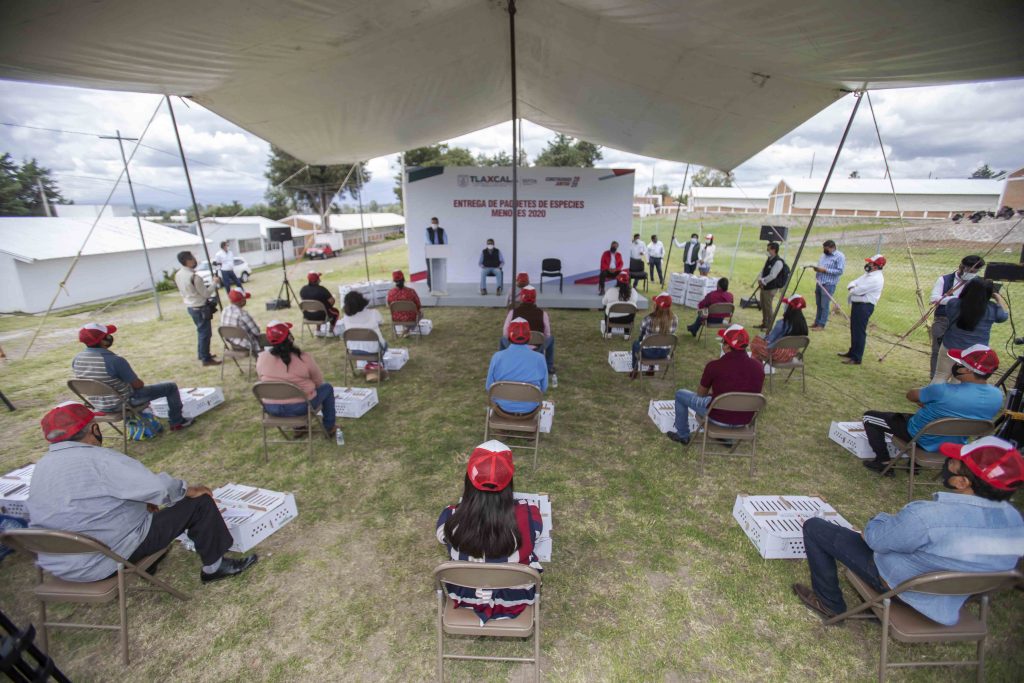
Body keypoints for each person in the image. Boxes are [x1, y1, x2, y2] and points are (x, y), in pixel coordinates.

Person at [791, 436, 1024, 625]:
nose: (948, 462)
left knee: (815, 528)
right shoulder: (1016, 522)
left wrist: (873, 526)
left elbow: (876, 540)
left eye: (954, 461)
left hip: (904, 588)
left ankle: (830, 604)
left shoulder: (928, 517)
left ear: (963, 482)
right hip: (953, 598)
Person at [27, 402, 258, 583]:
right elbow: (159, 488)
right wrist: (189, 489)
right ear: (94, 429)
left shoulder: (41, 467)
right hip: (103, 560)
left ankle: (148, 562)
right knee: (199, 503)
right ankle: (214, 568)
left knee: (146, 512)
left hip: (59, 564)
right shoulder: (100, 460)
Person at [436, 441, 543, 623]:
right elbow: (538, 535)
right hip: (516, 597)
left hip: (464, 594)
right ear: (509, 481)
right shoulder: (529, 514)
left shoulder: (450, 517)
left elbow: (441, 537)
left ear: (469, 479)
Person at [861, 345, 1003, 474]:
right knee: (933, 421)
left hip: (920, 436)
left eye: (959, 363)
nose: (955, 365)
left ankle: (883, 461)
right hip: (956, 441)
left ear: (966, 370)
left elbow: (911, 395)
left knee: (869, 417)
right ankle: (914, 463)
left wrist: (928, 400)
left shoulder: (943, 390)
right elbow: (967, 413)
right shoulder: (998, 395)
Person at [72, 323, 194, 431]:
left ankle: (144, 420)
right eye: (107, 335)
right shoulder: (114, 360)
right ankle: (177, 422)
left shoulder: (77, 359)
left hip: (98, 405)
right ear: (103, 340)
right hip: (123, 403)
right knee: (170, 387)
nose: (110, 337)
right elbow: (137, 385)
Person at [666, 325, 765, 446]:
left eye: (723, 341)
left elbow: (700, 394)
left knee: (680, 394)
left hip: (718, 419)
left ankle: (683, 435)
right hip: (744, 421)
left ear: (727, 346)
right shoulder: (759, 367)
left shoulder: (714, 366)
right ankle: (726, 438)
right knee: (717, 400)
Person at [255, 321, 337, 438]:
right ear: (289, 337)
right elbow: (318, 381)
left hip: (271, 408)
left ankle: (299, 428)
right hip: (300, 407)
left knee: (291, 394)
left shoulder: (261, 358)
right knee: (327, 388)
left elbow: (262, 379)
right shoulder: (303, 357)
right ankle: (329, 427)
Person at [931, 275, 1003, 385]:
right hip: (974, 353)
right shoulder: (991, 308)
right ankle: (953, 401)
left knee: (940, 375)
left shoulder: (954, 303)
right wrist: (998, 298)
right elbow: (1002, 317)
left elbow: (950, 314)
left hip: (950, 345)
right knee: (960, 379)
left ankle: (932, 399)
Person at [928, 255, 985, 376]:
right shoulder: (944, 280)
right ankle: (935, 378)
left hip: (964, 322)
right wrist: (957, 300)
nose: (972, 274)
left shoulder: (978, 284)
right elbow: (934, 298)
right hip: (943, 319)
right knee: (937, 351)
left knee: (963, 353)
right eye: (969, 271)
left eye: (975, 272)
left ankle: (956, 378)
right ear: (961, 267)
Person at [487, 318, 549, 414]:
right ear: (529, 336)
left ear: (509, 336)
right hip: (530, 409)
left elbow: (489, 387)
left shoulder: (497, 357)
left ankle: (501, 427)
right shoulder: (539, 358)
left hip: (502, 408)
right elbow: (544, 388)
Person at [500, 286, 556, 385]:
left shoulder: (513, 312)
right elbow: (547, 335)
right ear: (535, 298)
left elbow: (505, 333)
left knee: (502, 339)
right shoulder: (543, 314)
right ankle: (549, 367)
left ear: (521, 297)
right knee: (551, 339)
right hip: (537, 347)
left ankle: (503, 365)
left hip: (514, 345)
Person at [174, 250, 221, 367]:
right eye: (193, 258)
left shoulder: (178, 275)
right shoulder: (195, 277)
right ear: (188, 261)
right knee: (205, 333)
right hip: (200, 307)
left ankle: (203, 354)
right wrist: (214, 283)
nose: (195, 261)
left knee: (201, 332)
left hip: (190, 306)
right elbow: (206, 293)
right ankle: (206, 358)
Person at [839, 254, 885, 365]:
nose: (868, 264)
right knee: (854, 329)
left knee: (859, 332)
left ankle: (856, 358)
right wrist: (852, 287)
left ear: (876, 266)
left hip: (864, 306)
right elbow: (853, 282)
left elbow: (856, 290)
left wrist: (853, 288)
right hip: (858, 304)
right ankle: (852, 352)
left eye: (871, 263)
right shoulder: (868, 274)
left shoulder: (875, 279)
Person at [750, 294, 809, 364]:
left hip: (777, 354)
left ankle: (755, 368)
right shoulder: (802, 324)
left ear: (790, 307)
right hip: (791, 355)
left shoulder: (782, 324)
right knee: (759, 342)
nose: (784, 305)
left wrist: (763, 337)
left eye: (786, 304)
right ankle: (755, 367)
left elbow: (770, 340)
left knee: (756, 342)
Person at [630, 293, 677, 379]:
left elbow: (642, 332)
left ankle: (635, 369)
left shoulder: (648, 318)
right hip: (664, 352)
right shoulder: (675, 319)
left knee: (636, 343)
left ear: (656, 305)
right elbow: (672, 333)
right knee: (653, 342)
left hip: (648, 353)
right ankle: (651, 368)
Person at [337, 290, 388, 359]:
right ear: (362, 301)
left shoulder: (346, 318)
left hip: (354, 349)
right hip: (374, 349)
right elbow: (381, 322)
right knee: (384, 343)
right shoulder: (373, 313)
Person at [810, 240, 845, 331]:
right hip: (819, 282)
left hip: (829, 284)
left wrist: (825, 270)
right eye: (824, 248)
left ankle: (821, 325)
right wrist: (817, 269)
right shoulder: (823, 255)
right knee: (818, 304)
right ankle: (816, 322)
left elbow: (840, 271)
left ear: (833, 247)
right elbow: (820, 266)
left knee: (824, 305)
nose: (824, 250)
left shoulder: (839, 256)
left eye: (826, 249)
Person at [756, 241, 787, 329]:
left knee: (768, 306)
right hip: (764, 286)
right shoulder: (769, 259)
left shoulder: (778, 262)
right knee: (763, 305)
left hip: (771, 287)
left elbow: (773, 275)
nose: (767, 251)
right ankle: (764, 323)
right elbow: (763, 270)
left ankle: (769, 325)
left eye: (768, 249)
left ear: (774, 250)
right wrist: (760, 279)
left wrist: (762, 281)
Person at [601, 271, 639, 335]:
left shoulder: (611, 290)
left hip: (611, 319)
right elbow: (635, 302)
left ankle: (608, 332)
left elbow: (603, 302)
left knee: (606, 307)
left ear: (617, 281)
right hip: (628, 319)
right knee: (630, 309)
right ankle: (626, 334)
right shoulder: (633, 292)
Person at [386, 270, 422, 334]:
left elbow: (389, 306)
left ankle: (406, 329)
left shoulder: (390, 293)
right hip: (411, 318)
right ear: (404, 279)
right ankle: (408, 328)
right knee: (421, 314)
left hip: (396, 318)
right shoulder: (411, 291)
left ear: (394, 281)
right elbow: (418, 305)